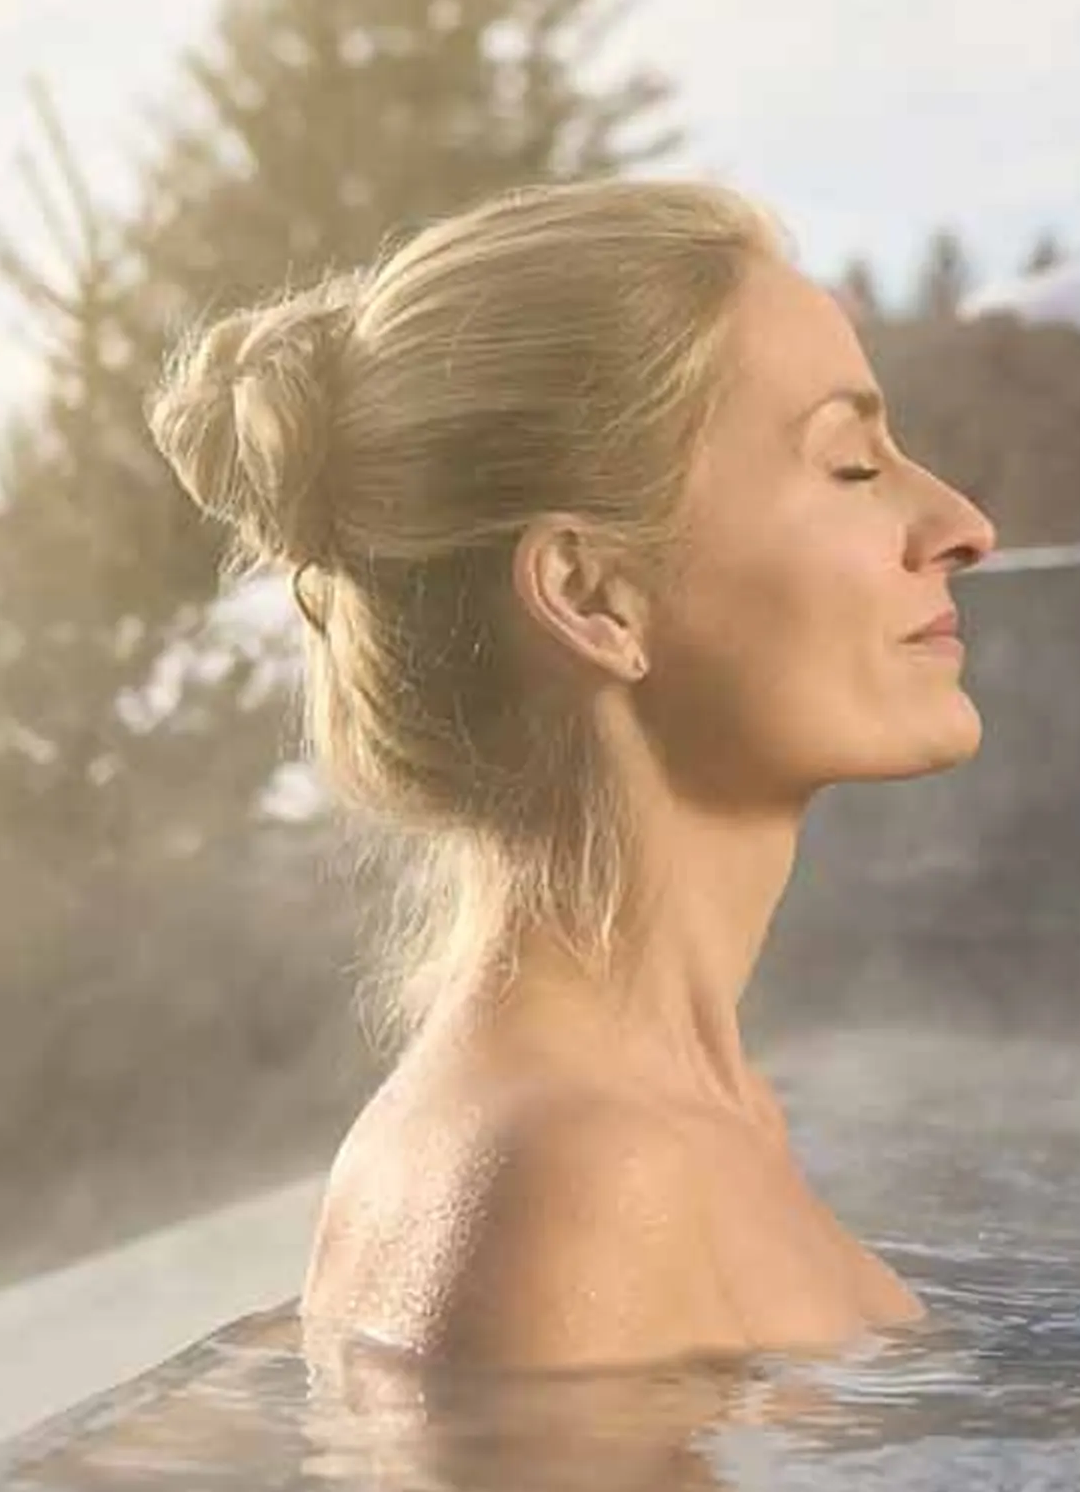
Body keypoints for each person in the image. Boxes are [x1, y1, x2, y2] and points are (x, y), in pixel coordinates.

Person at [148, 176, 995, 1370]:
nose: (962, 523)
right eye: (852, 465)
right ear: (593, 594)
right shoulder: (583, 1182)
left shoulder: (680, 1115)